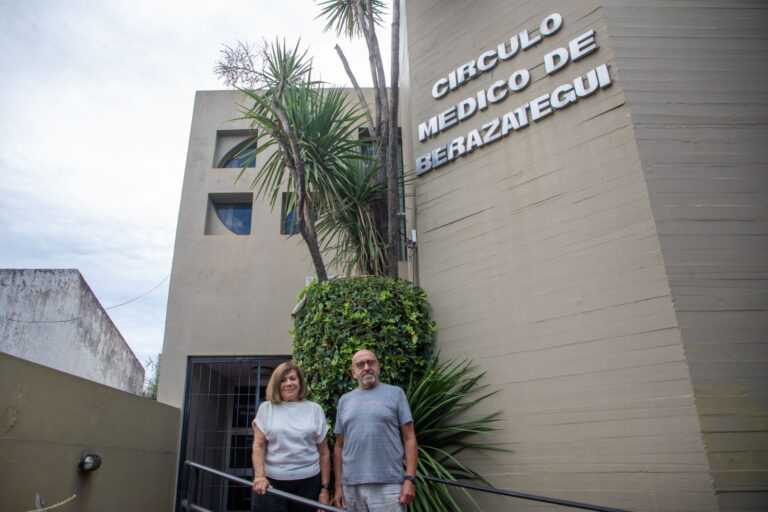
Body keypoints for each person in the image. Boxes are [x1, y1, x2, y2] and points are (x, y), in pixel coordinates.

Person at [332, 349, 418, 512]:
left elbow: (409, 438)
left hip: (389, 485)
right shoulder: (344, 401)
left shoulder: (396, 394)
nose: (366, 367)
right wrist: (338, 486)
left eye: (370, 362)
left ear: (378, 366)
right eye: (360, 364)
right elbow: (339, 446)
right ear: (353, 373)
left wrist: (410, 479)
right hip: (351, 487)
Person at [252, 360, 332, 512]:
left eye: (292, 378)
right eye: (283, 380)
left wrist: (324, 489)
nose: (288, 383)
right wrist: (260, 476)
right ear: (276, 384)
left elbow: (324, 452)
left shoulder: (315, 409)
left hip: (309, 484)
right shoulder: (266, 408)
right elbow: (258, 445)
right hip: (272, 484)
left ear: (300, 382)